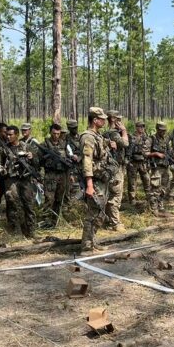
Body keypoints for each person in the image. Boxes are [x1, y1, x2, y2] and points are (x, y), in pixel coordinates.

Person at [0, 125, 40, 238]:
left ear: (17, 135)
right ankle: (16, 231)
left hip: (26, 179)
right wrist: (2, 170)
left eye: (11, 134)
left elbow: (37, 163)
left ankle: (31, 230)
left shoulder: (27, 147)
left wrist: (32, 157)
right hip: (11, 180)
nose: (8, 136)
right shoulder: (3, 149)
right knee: (13, 203)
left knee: (29, 204)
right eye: (7, 134)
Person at [79, 107, 110, 253]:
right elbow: (87, 161)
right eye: (101, 118)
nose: (104, 120)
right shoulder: (88, 137)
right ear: (95, 120)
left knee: (99, 211)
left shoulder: (98, 135)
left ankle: (93, 240)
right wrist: (89, 185)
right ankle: (86, 245)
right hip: (94, 181)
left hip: (101, 179)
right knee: (93, 212)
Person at [38, 123, 72, 228]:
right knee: (49, 199)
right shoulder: (44, 145)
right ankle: (45, 221)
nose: (56, 135)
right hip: (50, 175)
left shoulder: (65, 144)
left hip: (62, 175)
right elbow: (38, 161)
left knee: (60, 198)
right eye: (54, 133)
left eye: (58, 133)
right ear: (50, 133)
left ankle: (55, 221)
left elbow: (70, 157)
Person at [103, 111, 129, 230]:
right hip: (115, 168)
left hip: (114, 167)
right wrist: (124, 131)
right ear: (113, 120)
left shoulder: (107, 133)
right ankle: (114, 223)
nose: (121, 122)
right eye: (119, 119)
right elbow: (125, 143)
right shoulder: (113, 133)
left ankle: (109, 221)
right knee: (115, 196)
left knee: (112, 195)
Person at [147, 122, 172, 216]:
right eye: (161, 130)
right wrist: (155, 154)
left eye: (164, 130)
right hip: (156, 168)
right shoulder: (151, 139)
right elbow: (144, 153)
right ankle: (154, 209)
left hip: (165, 167)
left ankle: (160, 206)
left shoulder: (166, 139)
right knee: (155, 189)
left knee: (164, 188)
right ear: (157, 129)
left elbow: (169, 151)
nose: (163, 132)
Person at [127, 121, 153, 206]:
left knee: (147, 180)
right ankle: (132, 200)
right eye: (139, 127)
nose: (141, 128)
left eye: (143, 127)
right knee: (132, 182)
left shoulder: (147, 138)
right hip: (133, 163)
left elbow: (150, 150)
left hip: (143, 163)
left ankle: (149, 198)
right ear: (136, 127)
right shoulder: (131, 137)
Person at [65, 119, 82, 201]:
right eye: (73, 128)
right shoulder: (65, 139)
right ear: (69, 128)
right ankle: (73, 204)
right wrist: (71, 155)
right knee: (72, 187)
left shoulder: (81, 137)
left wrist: (79, 157)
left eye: (76, 127)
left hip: (81, 165)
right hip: (71, 167)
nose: (75, 129)